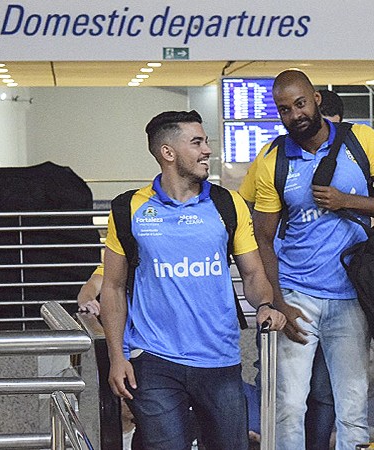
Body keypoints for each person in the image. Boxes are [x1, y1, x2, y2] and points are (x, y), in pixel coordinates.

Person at [99, 110, 286, 450]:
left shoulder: (227, 204)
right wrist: (117, 356)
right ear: (167, 153)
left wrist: (265, 304)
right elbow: (111, 287)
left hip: (219, 358)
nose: (207, 150)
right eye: (197, 142)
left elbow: (254, 272)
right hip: (153, 359)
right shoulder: (129, 208)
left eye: (206, 141)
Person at [251, 70, 374, 450]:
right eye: (284, 109)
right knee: (288, 407)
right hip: (297, 295)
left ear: (318, 100)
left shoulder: (361, 141)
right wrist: (278, 302)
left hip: (352, 295)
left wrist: (347, 201)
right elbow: (263, 238)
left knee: (352, 407)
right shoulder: (272, 160)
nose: (295, 114)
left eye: (300, 103)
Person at [238, 88, 345, 449]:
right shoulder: (274, 158)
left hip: (339, 294)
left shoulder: (351, 155)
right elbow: (243, 216)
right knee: (281, 389)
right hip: (286, 287)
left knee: (327, 391)